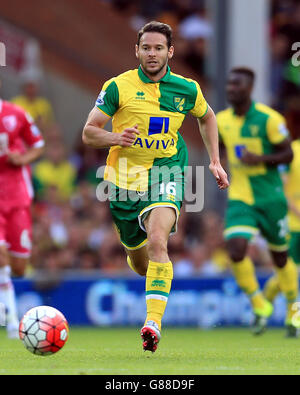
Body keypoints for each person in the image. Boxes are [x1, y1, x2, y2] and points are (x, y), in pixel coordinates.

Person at [82, 21, 229, 352]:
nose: (152, 53)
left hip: (166, 170)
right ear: (137, 50)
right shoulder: (118, 87)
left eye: (158, 48)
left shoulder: (187, 89)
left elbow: (207, 117)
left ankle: (152, 323)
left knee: (159, 241)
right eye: (146, 47)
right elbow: (88, 132)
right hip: (123, 183)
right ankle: (150, 274)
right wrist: (115, 137)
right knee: (140, 260)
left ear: (170, 52)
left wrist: (215, 160)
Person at [217, 67, 298, 337]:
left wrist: (260, 159)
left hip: (271, 198)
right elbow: (217, 146)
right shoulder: (221, 120)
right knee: (236, 249)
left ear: (249, 89)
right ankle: (259, 303)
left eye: (236, 85)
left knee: (280, 257)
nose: (230, 89)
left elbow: (287, 154)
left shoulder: (269, 119)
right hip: (240, 197)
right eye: (229, 84)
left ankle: (293, 310)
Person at [0, 84, 45, 338]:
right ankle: (11, 320)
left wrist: (22, 158)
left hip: (17, 197)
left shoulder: (16, 114)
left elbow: (38, 145)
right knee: (1, 258)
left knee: (18, 266)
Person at [263, 137, 300, 335]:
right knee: (289, 271)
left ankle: (266, 301)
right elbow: (281, 186)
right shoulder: (292, 152)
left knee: (289, 272)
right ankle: (291, 318)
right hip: (294, 225)